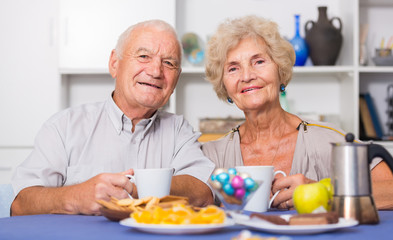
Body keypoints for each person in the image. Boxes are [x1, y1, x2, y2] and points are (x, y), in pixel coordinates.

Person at [11, 19, 215, 216]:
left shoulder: (180, 131)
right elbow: (20, 206)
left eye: (169, 63)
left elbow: (202, 192)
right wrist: (75, 196)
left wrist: (132, 189)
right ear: (114, 63)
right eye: (144, 56)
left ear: (176, 78)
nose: (155, 71)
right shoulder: (63, 126)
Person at [202, 15, 393, 210]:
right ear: (224, 86)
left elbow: (390, 190)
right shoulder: (212, 155)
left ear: (280, 71)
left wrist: (322, 192)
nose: (247, 76)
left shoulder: (325, 141)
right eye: (233, 68)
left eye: (258, 62)